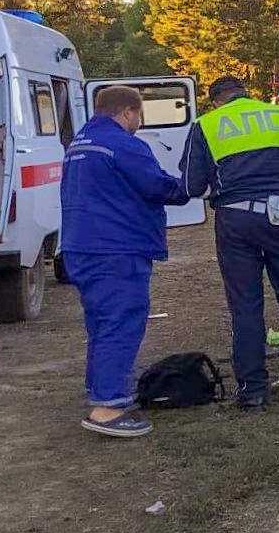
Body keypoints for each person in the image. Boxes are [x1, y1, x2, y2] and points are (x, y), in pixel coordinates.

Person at [180, 76, 279, 409]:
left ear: (215, 100)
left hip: (236, 219)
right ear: (247, 94)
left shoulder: (206, 125)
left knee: (245, 304)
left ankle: (253, 390)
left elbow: (191, 185)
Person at [60, 85, 188, 438]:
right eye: (139, 115)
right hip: (116, 247)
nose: (139, 122)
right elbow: (157, 186)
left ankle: (103, 390)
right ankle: (107, 407)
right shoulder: (124, 145)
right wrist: (192, 185)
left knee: (102, 323)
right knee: (121, 322)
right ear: (129, 111)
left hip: (81, 245)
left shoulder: (81, 143)